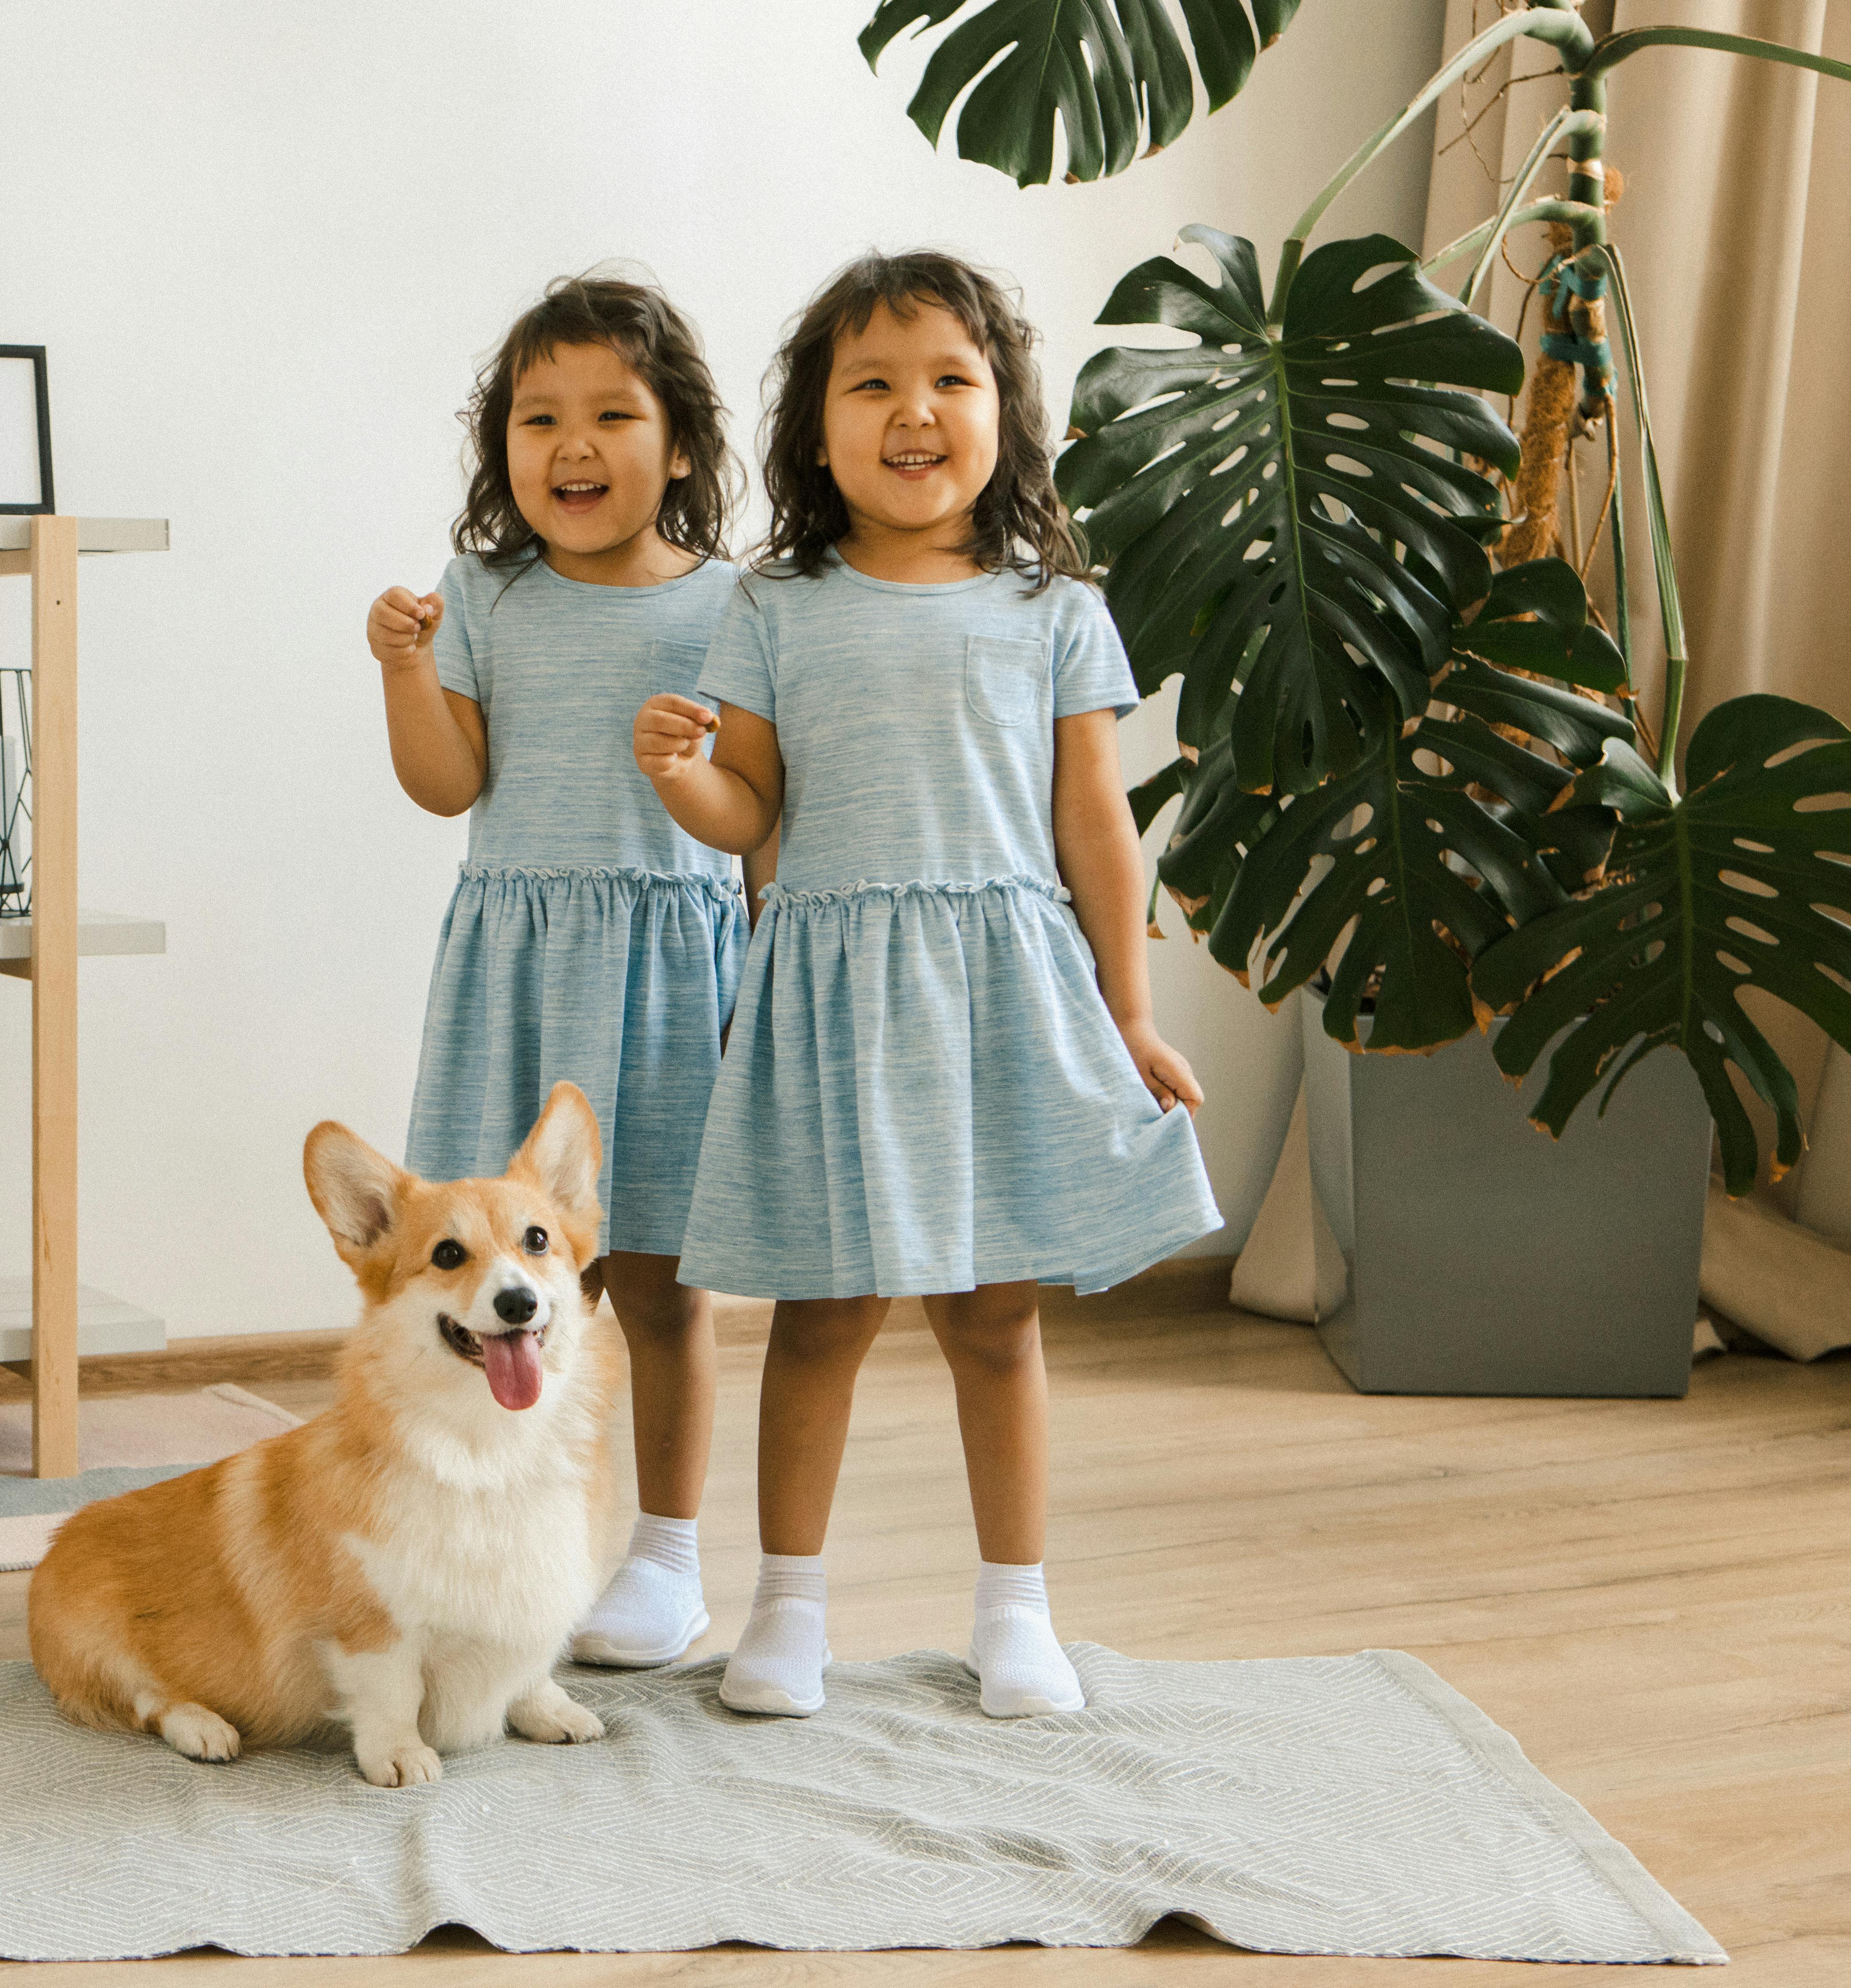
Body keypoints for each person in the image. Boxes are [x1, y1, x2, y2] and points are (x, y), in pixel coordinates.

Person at [634, 251, 1219, 1720]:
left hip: (1004, 997)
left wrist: (1129, 1012)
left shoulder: (1056, 611)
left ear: (1005, 415)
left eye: (951, 379)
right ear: (817, 430)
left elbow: (1097, 825)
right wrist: (683, 778)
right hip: (831, 996)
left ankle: (1017, 1609)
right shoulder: (777, 606)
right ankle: (789, 1606)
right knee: (823, 1315)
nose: (915, 412)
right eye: (873, 384)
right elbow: (752, 813)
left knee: (994, 1317)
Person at [366, 271, 745, 1668]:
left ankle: (668, 1556)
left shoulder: (734, 606)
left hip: (669, 972)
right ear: (502, 447)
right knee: (497, 1289)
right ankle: (494, 1544)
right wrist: (405, 672)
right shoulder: (482, 595)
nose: (570, 446)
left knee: (655, 1284)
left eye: (610, 415)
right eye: (538, 418)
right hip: (519, 971)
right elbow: (446, 781)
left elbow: (763, 807)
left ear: (685, 445)